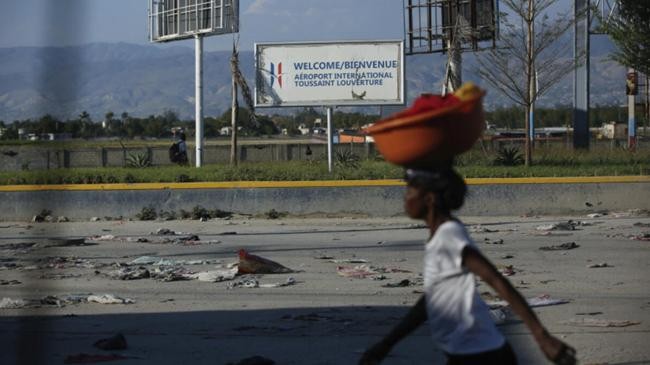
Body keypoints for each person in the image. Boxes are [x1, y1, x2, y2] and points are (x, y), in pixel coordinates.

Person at [359, 166, 576, 365]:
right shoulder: (441, 235)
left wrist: (541, 336)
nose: (405, 199)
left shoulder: (449, 237)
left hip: (481, 356)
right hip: (470, 352)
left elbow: (496, 280)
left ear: (430, 199)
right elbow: (430, 300)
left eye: (410, 192)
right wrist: (386, 344)